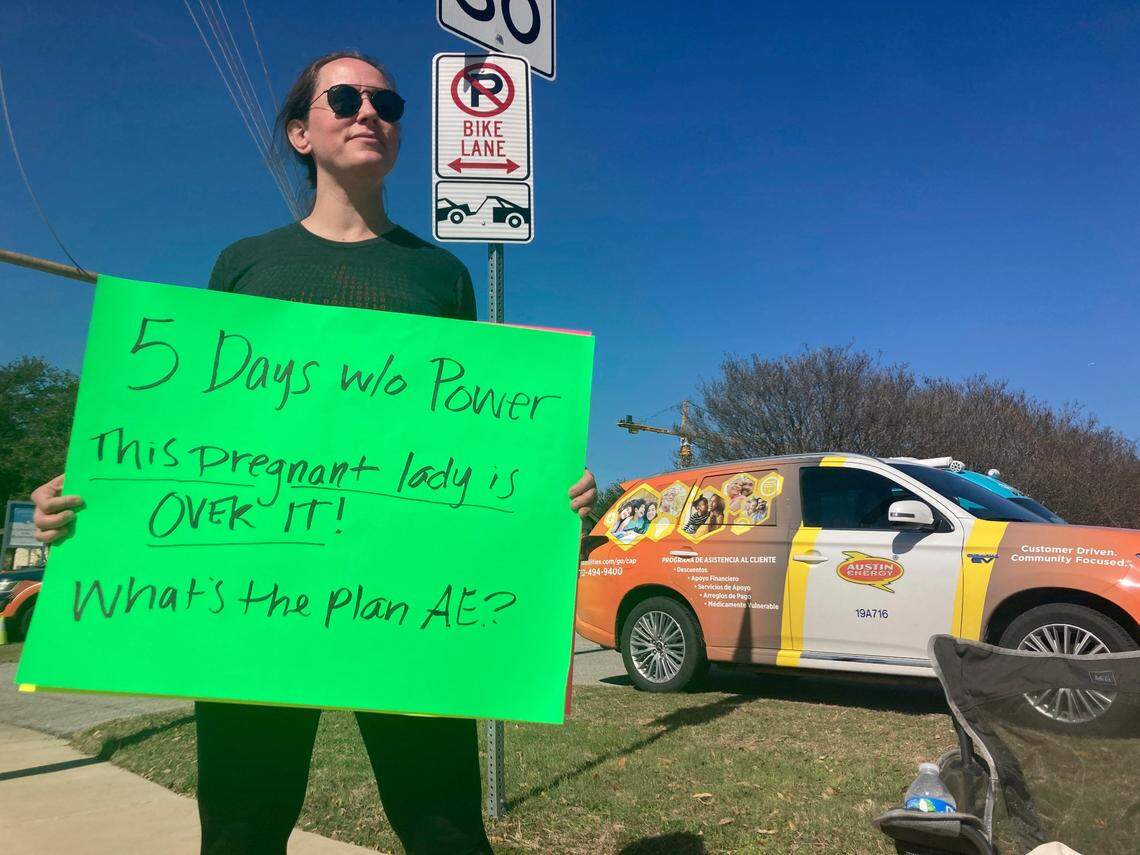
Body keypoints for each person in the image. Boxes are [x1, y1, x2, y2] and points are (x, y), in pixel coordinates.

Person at [29, 50, 596, 855]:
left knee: (445, 828)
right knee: (241, 829)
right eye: (345, 96)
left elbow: (472, 440)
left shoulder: (441, 276)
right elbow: (192, 438)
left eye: (388, 102)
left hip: (407, 597)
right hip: (256, 595)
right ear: (301, 131)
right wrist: (88, 495)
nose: (371, 112)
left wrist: (550, 488)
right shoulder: (245, 264)